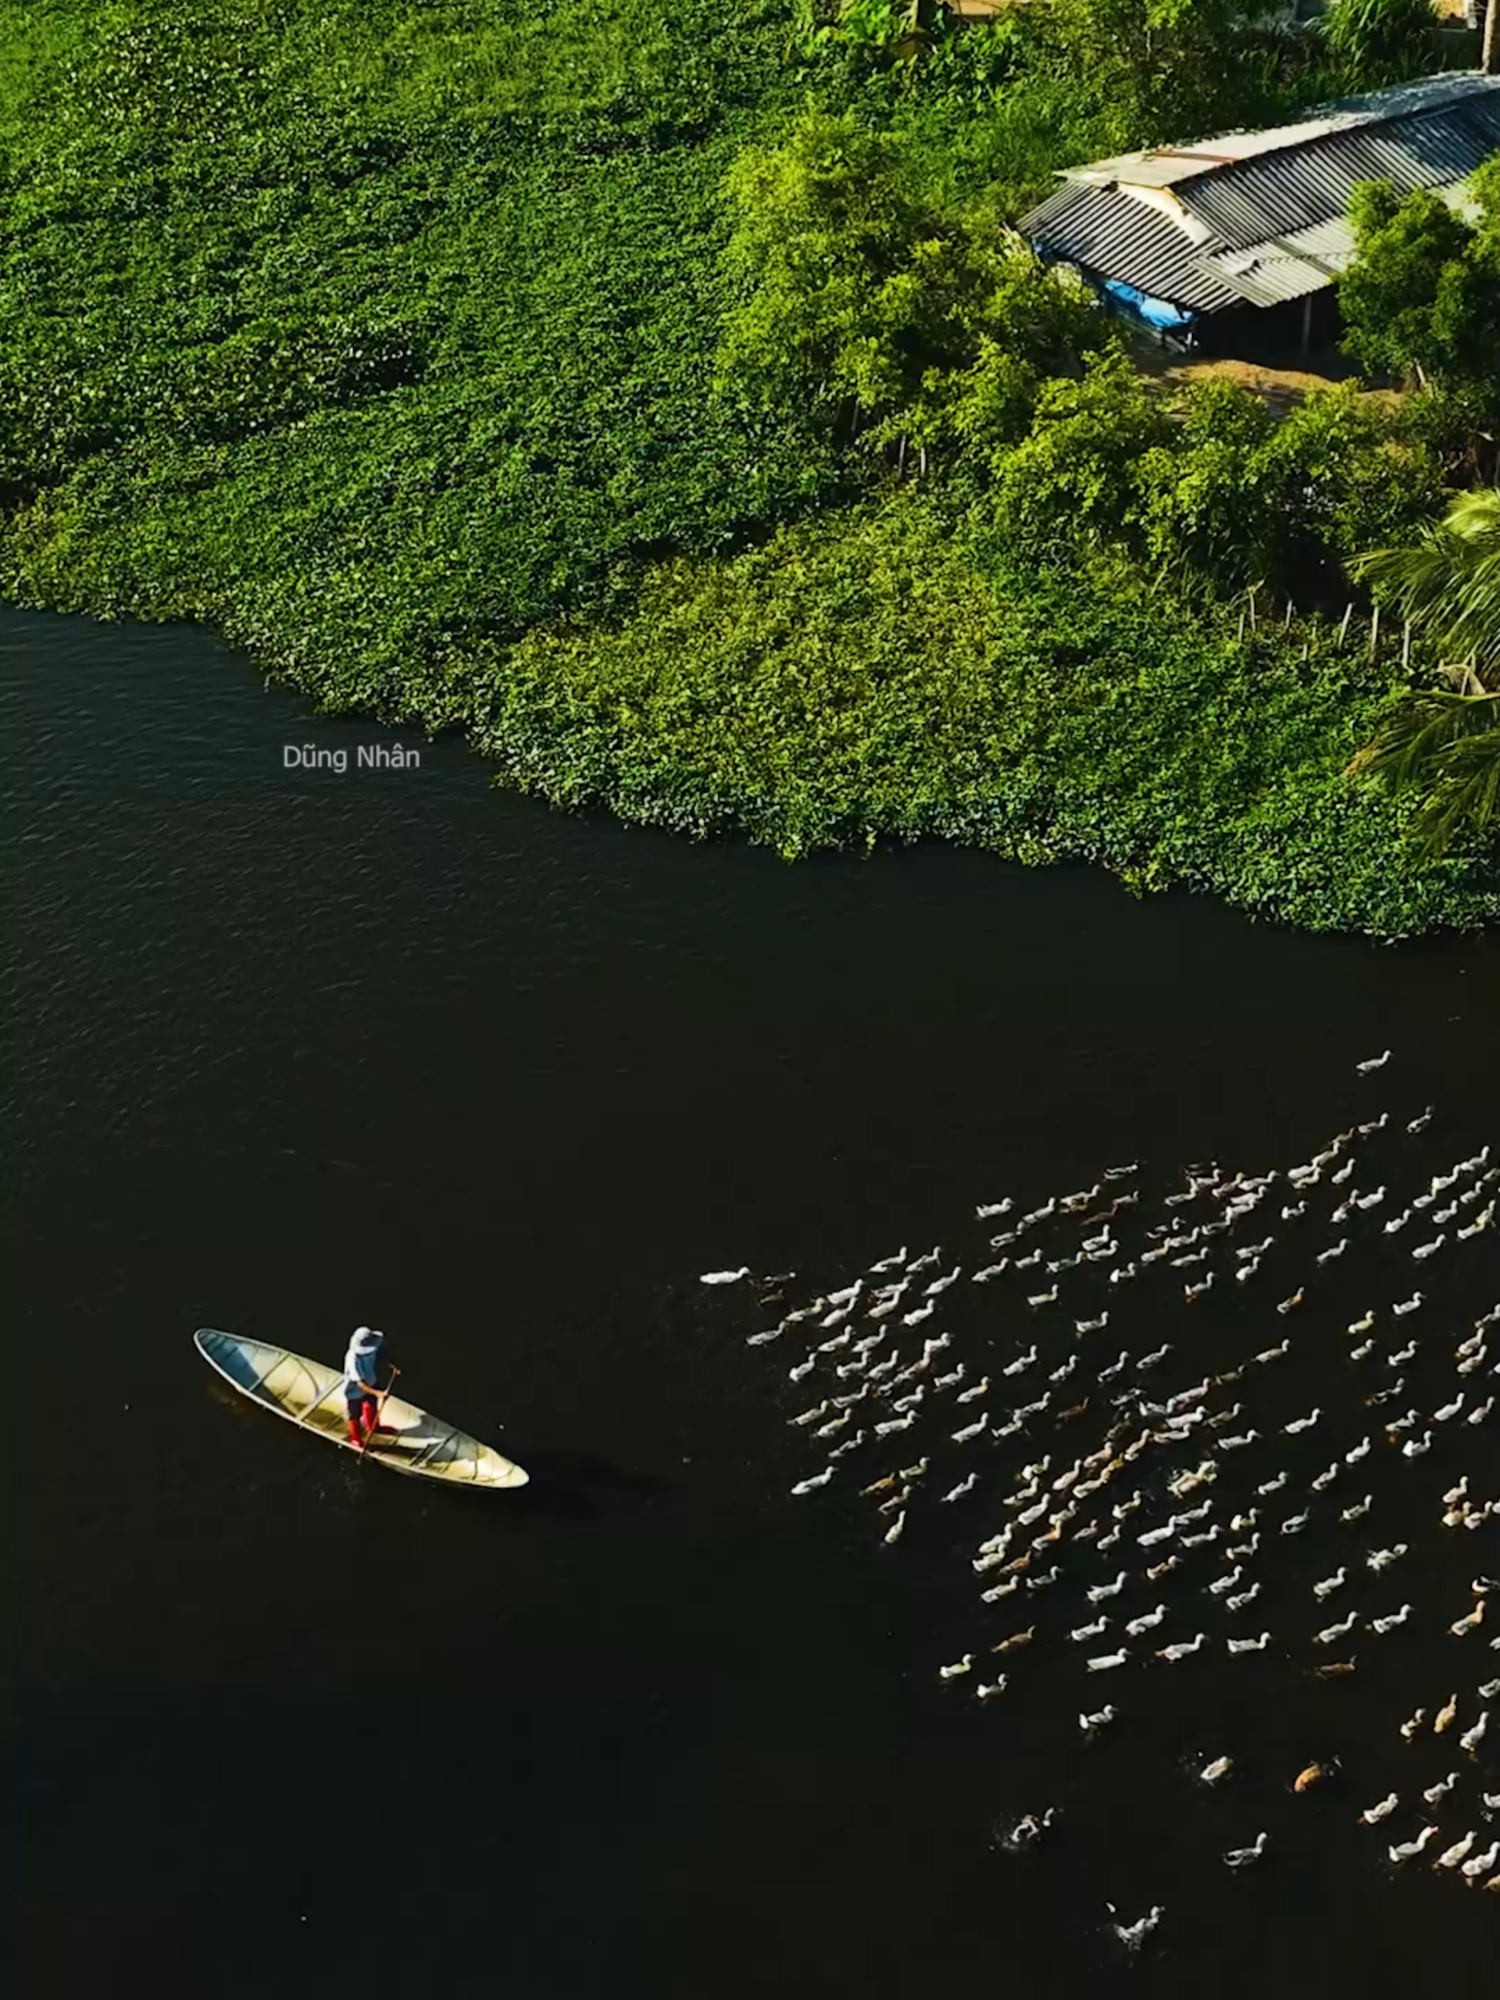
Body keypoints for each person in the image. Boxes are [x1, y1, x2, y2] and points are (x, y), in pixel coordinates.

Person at [343, 1325, 388, 1446]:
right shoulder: (353, 1359)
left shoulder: (372, 1348)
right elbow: (360, 1384)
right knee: (354, 1414)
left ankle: (373, 1427)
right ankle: (355, 1437)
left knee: (372, 1406)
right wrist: (378, 1393)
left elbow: (380, 1354)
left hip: (371, 1381)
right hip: (355, 1391)